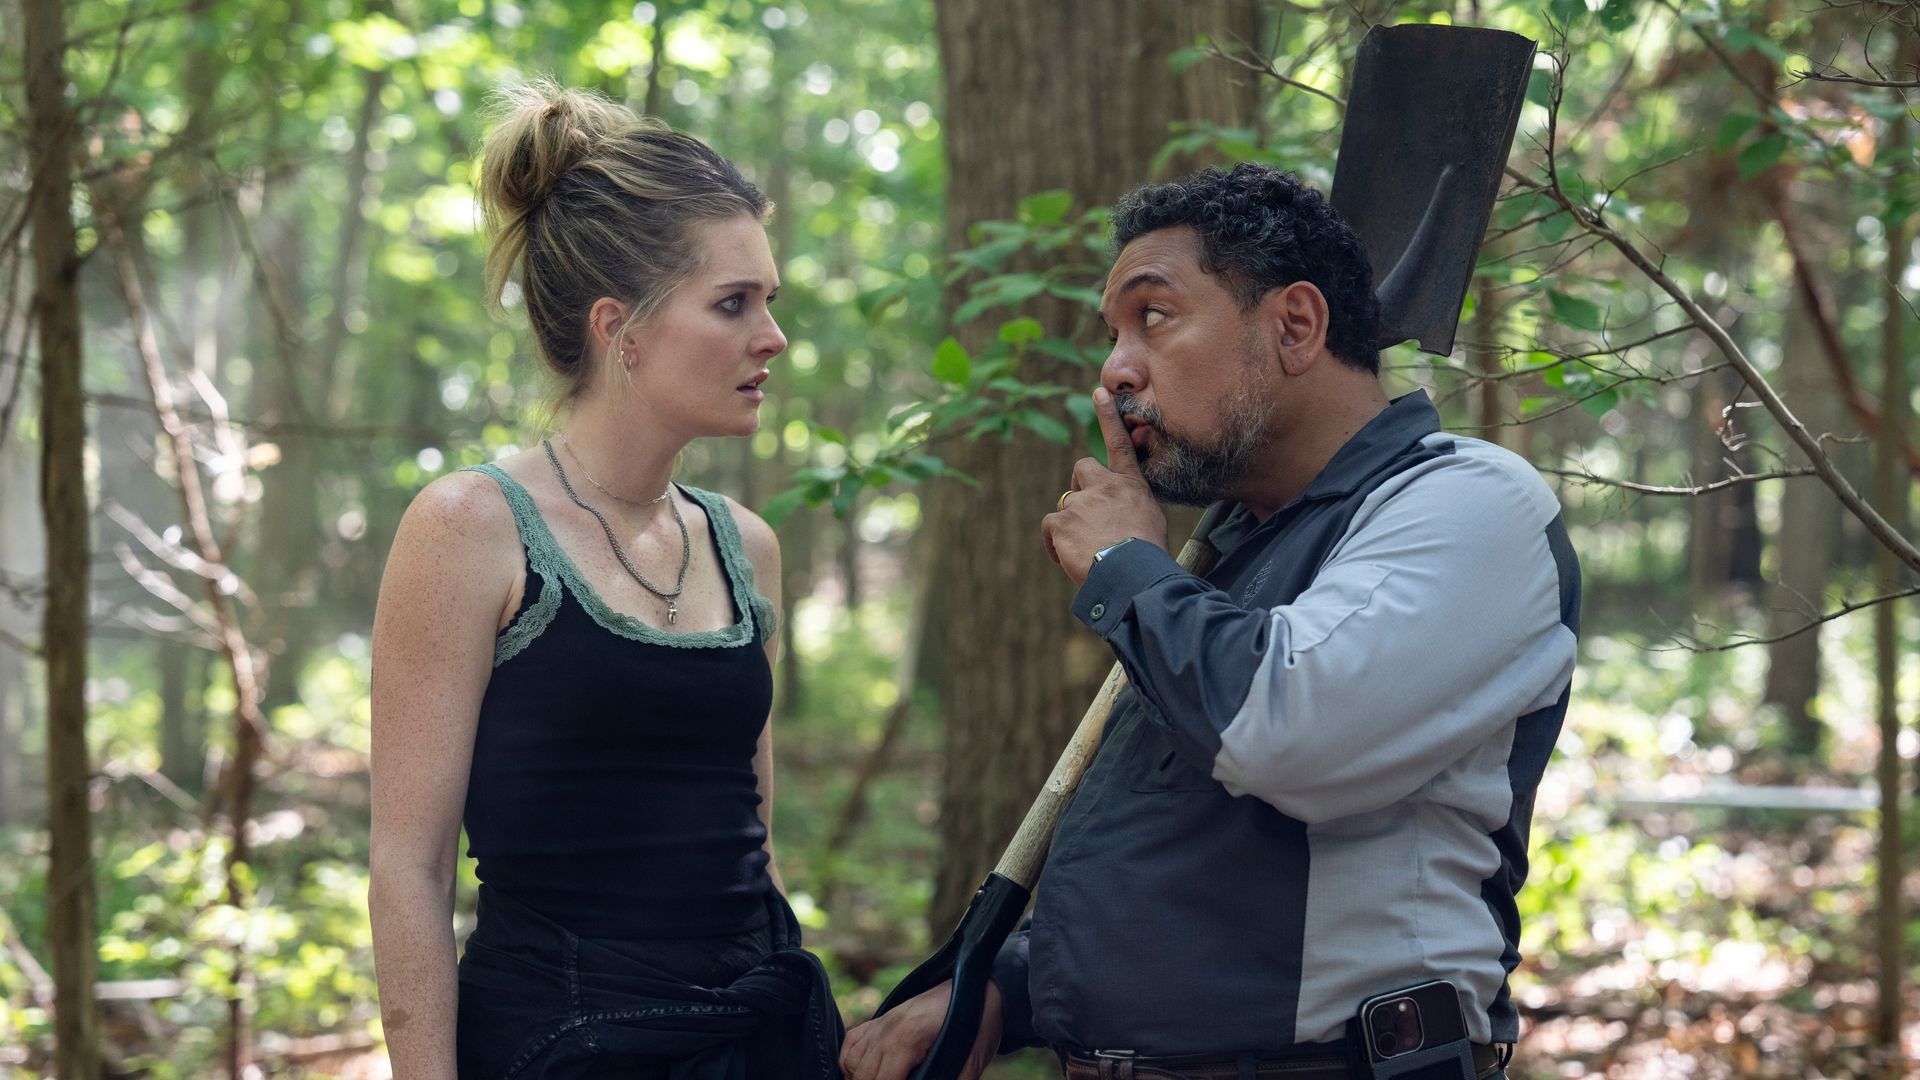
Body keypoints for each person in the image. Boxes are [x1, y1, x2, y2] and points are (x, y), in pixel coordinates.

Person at [842, 163, 1580, 1080]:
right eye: (1111, 335)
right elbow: (1190, 866)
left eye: (1153, 317)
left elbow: (1292, 735)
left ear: (1295, 326)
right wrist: (1005, 987)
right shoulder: (1226, 551)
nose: (1115, 371)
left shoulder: (1471, 503)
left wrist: (1127, 571)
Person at [368, 80, 841, 1080]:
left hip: (748, 1044)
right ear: (618, 326)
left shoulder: (744, 545)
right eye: (734, 303)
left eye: (770, 301)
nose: (773, 337)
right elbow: (409, 869)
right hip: (557, 1046)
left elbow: (750, 846)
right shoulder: (471, 529)